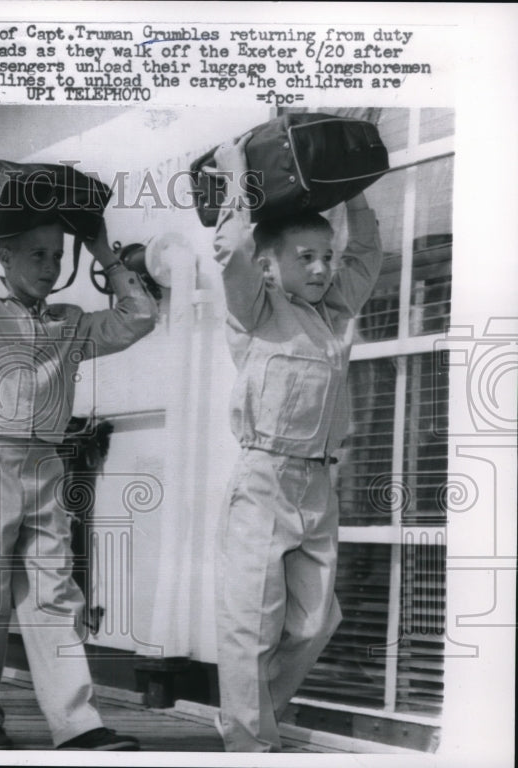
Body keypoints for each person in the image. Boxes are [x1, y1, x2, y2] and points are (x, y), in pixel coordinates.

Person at [0, 178, 157, 750]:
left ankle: (77, 723)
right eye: (35, 255)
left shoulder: (70, 322)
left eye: (56, 255)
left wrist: (101, 249)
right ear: (5, 255)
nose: (49, 266)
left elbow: (139, 316)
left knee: (55, 593)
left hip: (46, 464)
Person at [210, 134, 384, 751]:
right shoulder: (255, 311)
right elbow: (231, 249)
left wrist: (355, 191)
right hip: (264, 480)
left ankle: (250, 715)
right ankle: (249, 741)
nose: (320, 268)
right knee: (252, 620)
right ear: (270, 266)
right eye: (305, 257)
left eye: (325, 257)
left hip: (318, 483)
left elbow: (366, 254)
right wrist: (236, 177)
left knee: (315, 622)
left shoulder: (333, 316)